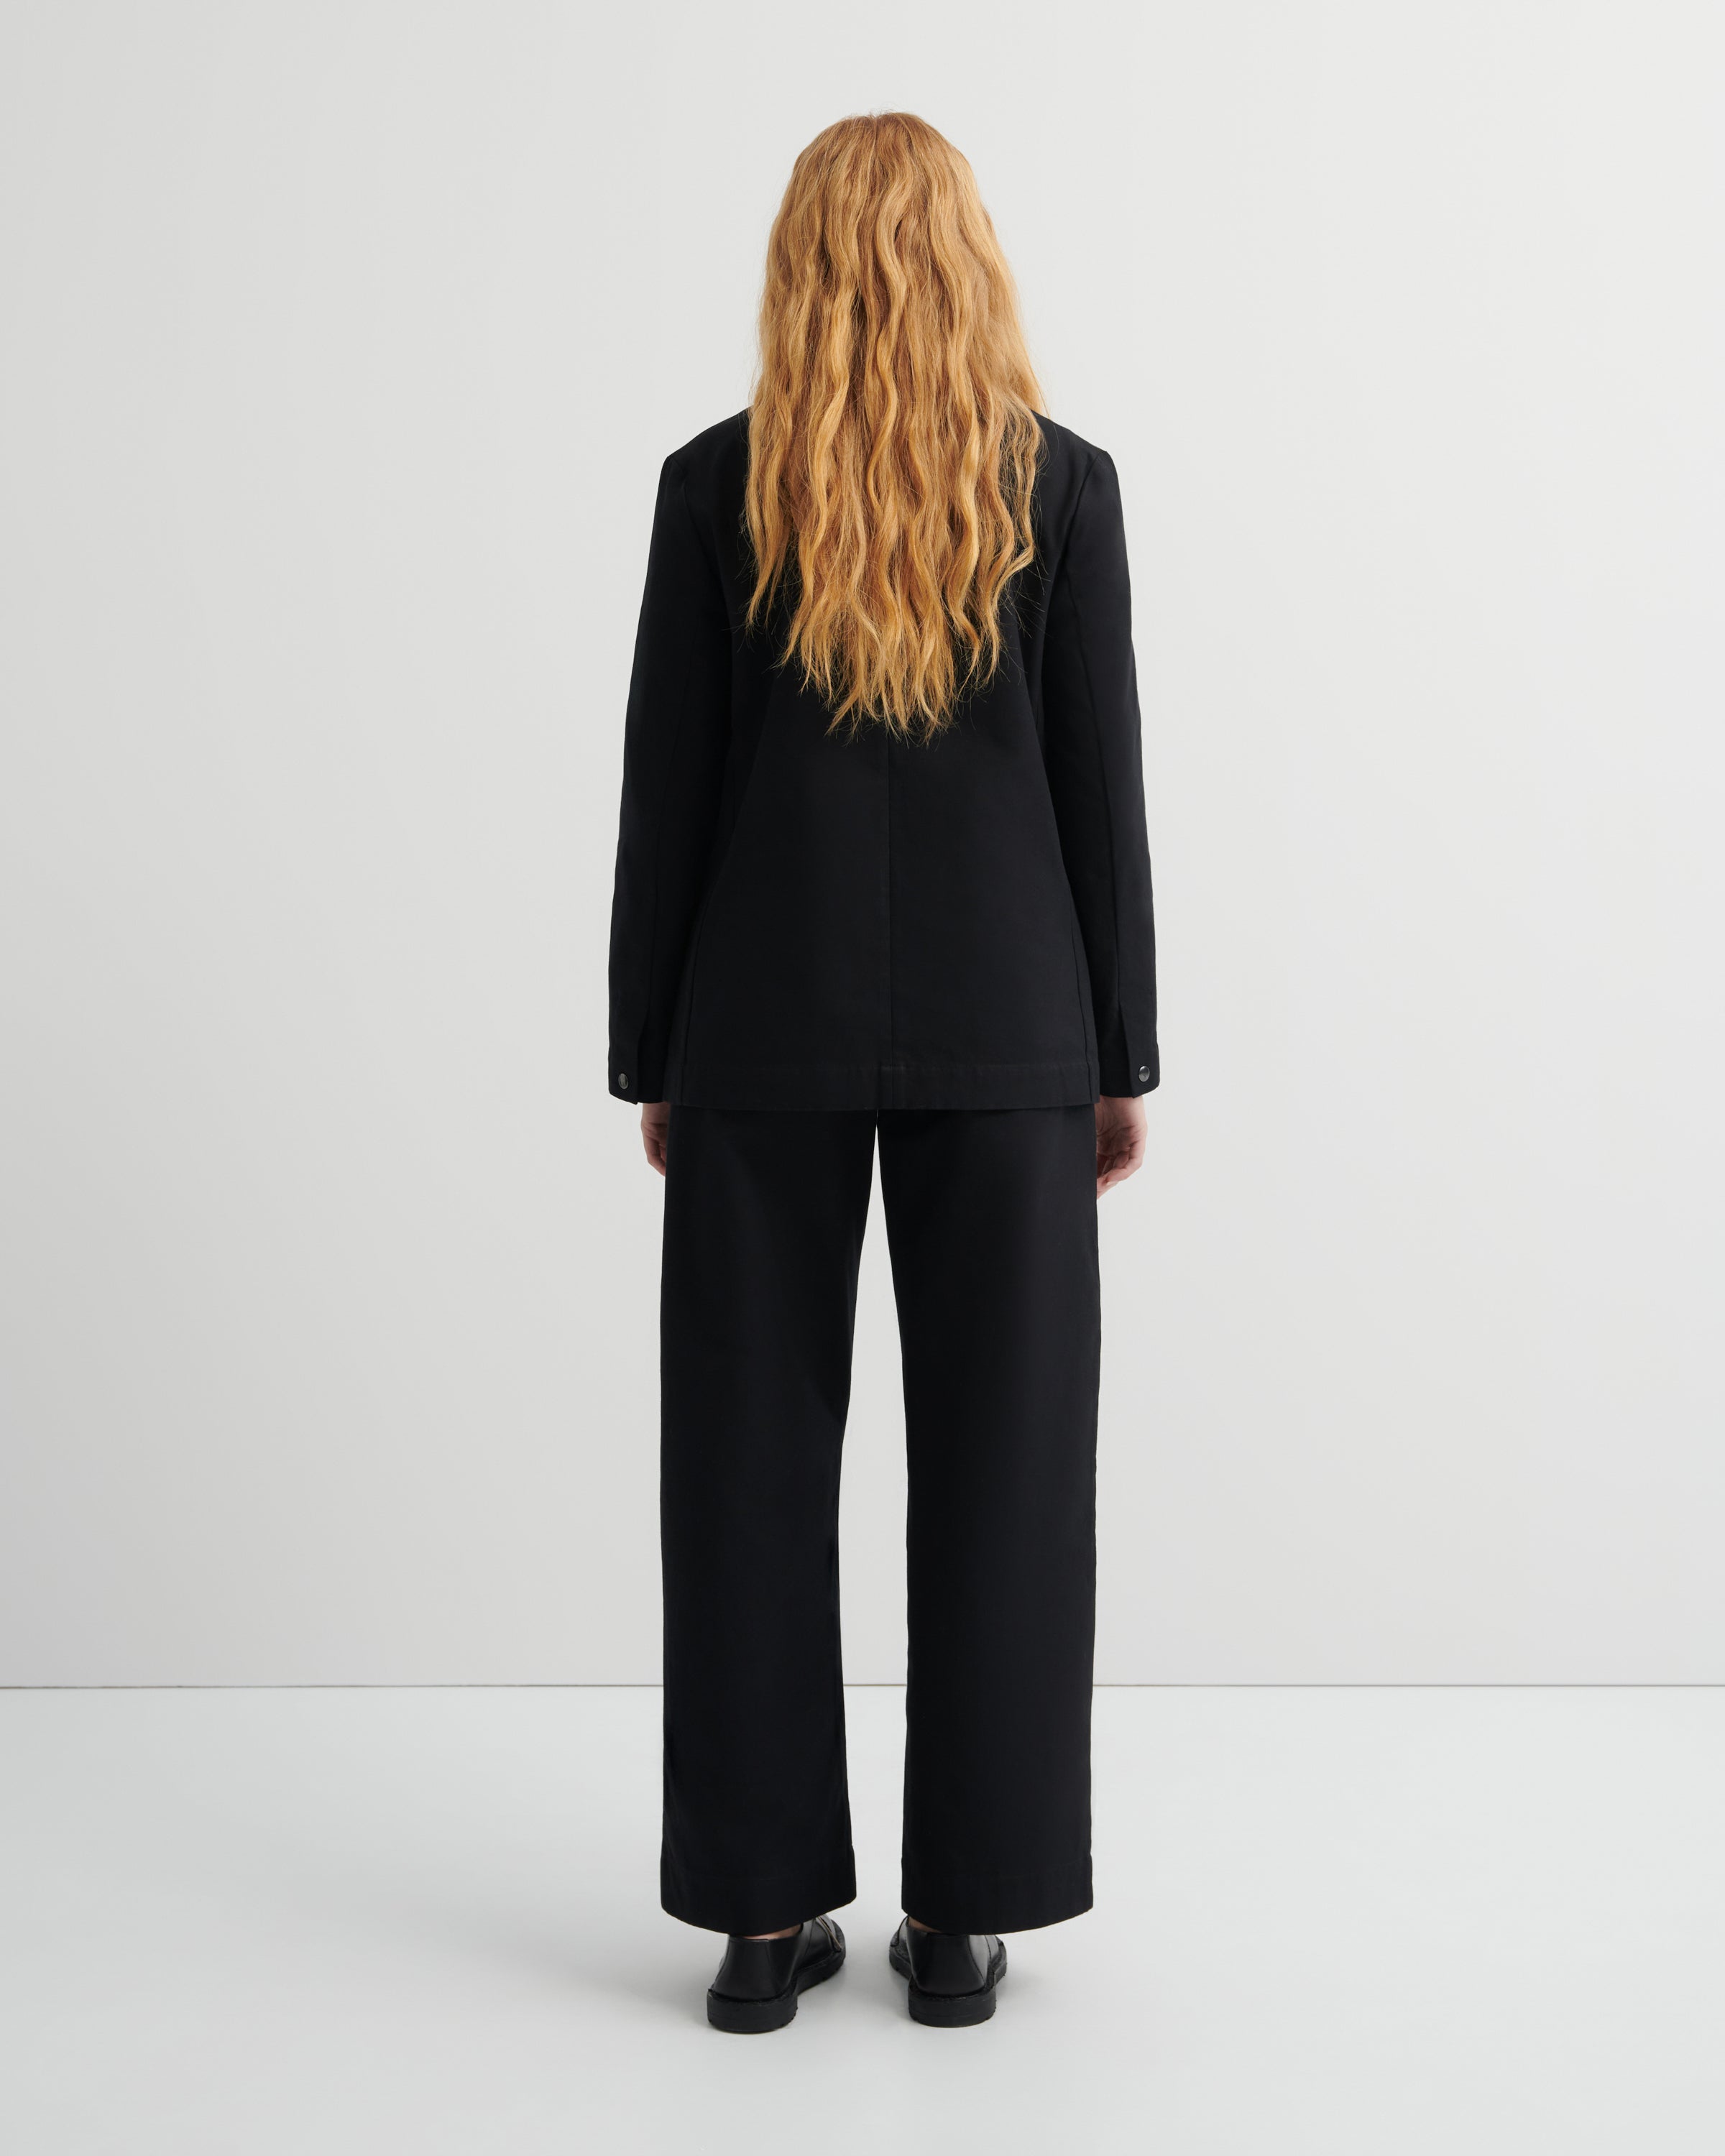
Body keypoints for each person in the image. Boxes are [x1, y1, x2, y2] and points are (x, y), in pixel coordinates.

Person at [605, 111, 1157, 2033]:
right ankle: (965, 1924)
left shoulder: (714, 487)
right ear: (967, 260)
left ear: (801, 267)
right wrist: (1121, 1054)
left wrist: (653, 1054)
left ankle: (761, 1927)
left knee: (743, 1467)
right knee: (1010, 1469)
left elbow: (667, 796)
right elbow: (1102, 796)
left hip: (760, 1035)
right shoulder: (1059, 488)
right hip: (1015, 1037)